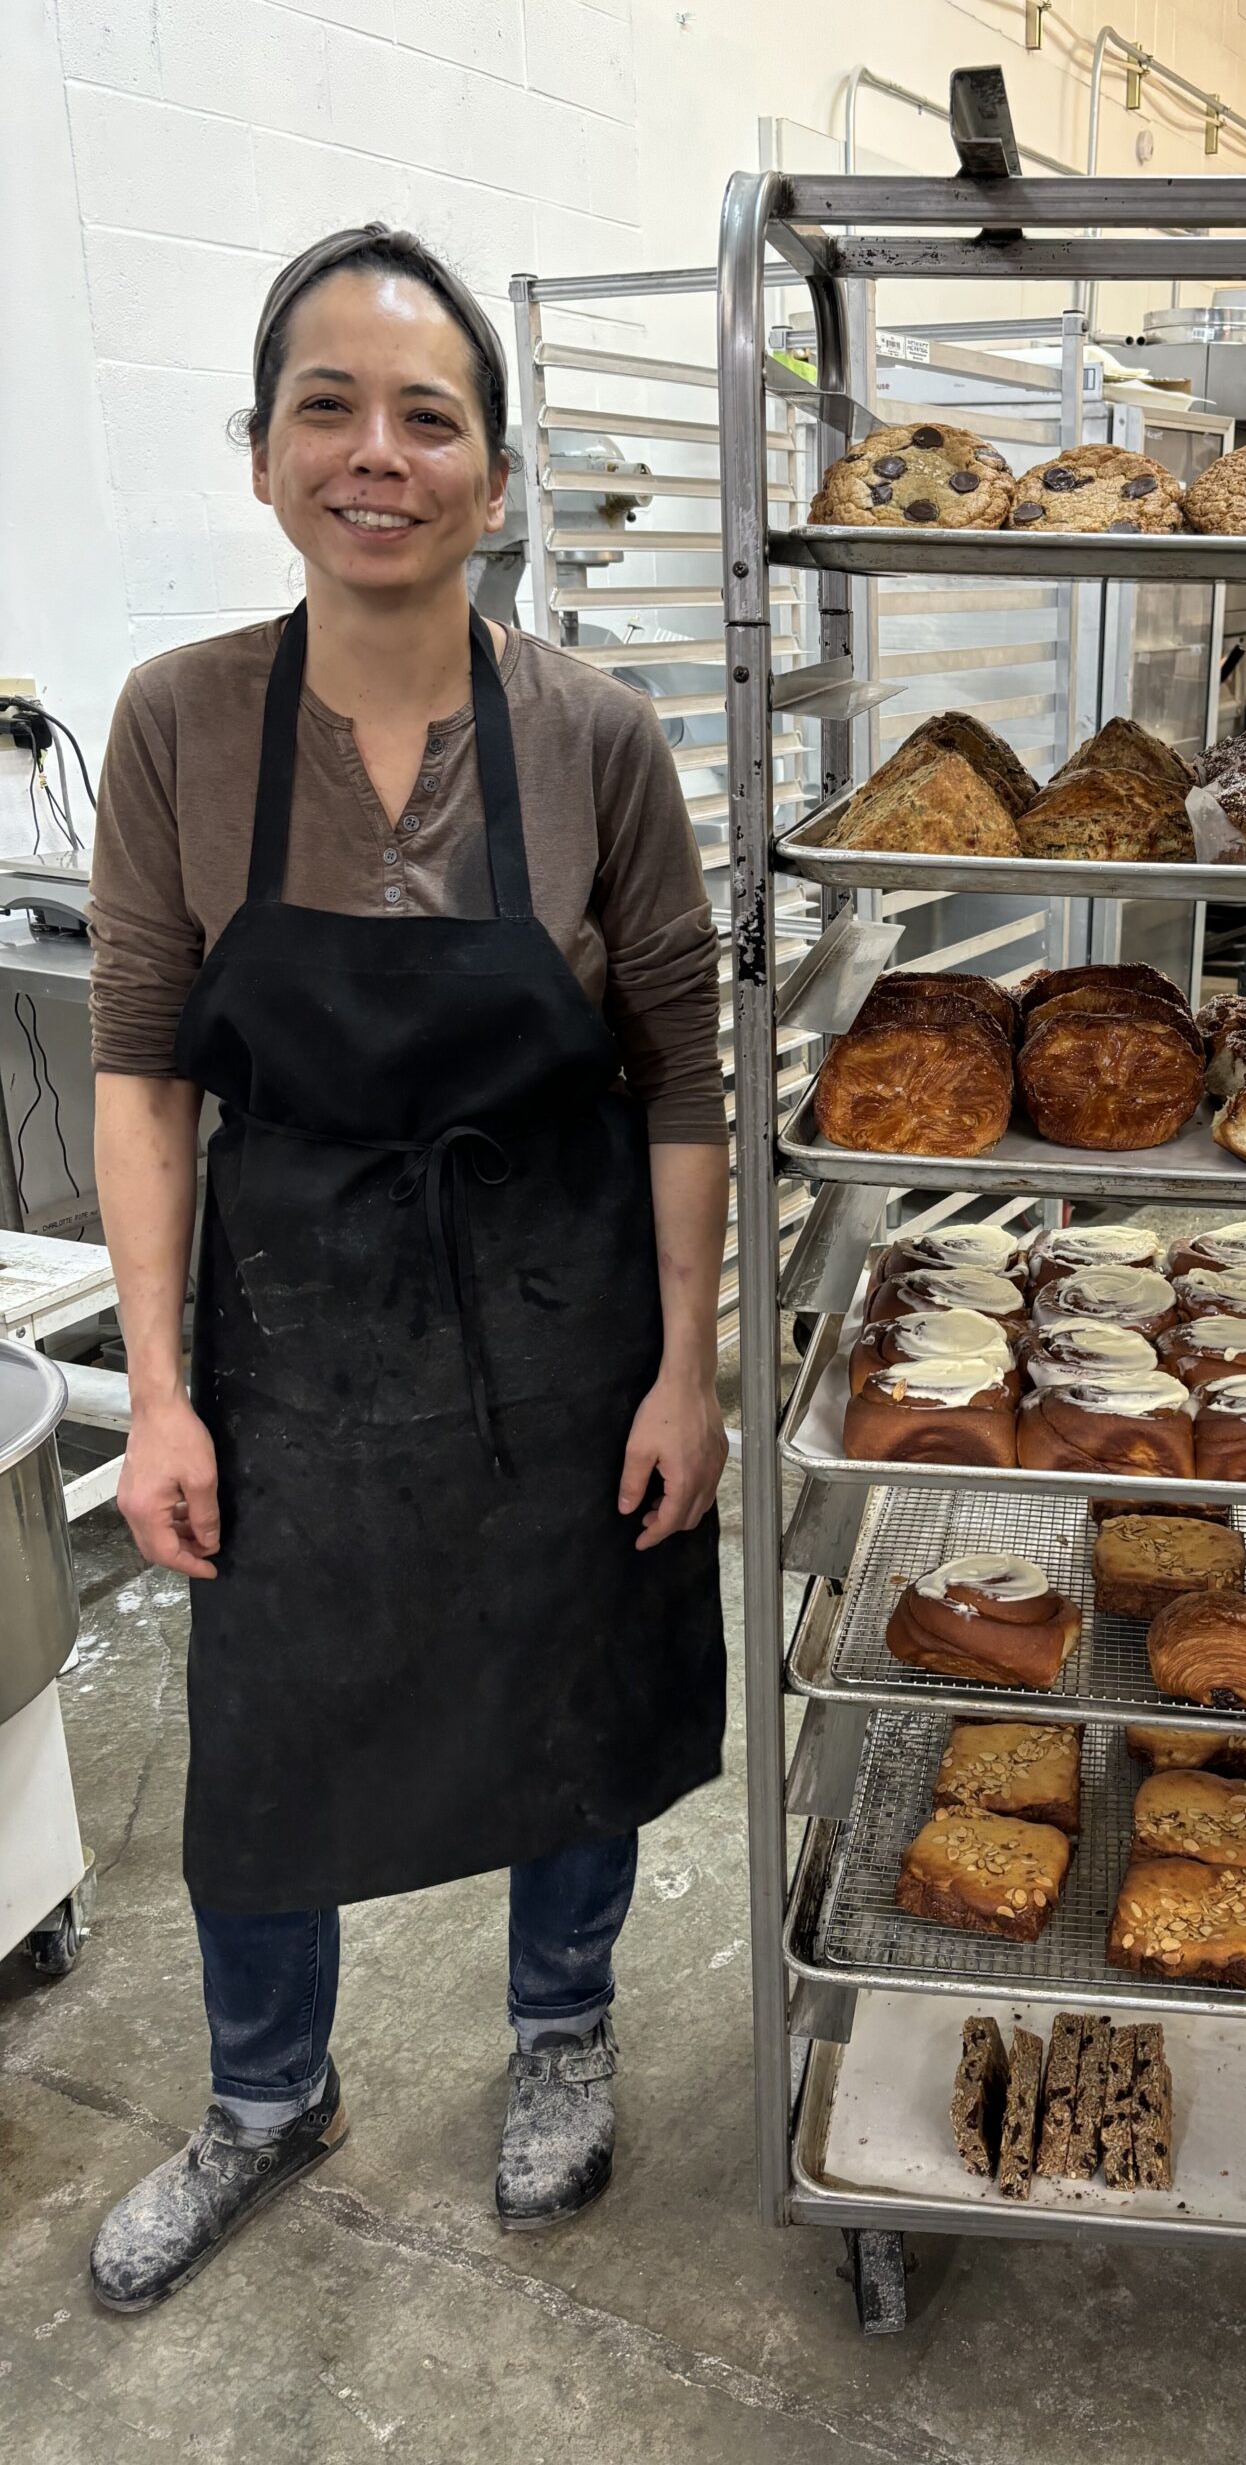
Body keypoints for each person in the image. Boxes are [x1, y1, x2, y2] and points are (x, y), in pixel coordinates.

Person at [84, 225, 731, 2310]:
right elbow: (141, 1080)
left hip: (562, 1306)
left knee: (574, 1684)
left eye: (428, 416)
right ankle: (267, 2091)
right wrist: (162, 1388)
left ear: (497, 471)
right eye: (328, 410)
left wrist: (687, 1362)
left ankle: (562, 2022)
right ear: (263, 456)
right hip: (287, 1319)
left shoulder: (598, 737)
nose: (380, 454)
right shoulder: (180, 723)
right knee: (269, 1734)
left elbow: (686, 1077)